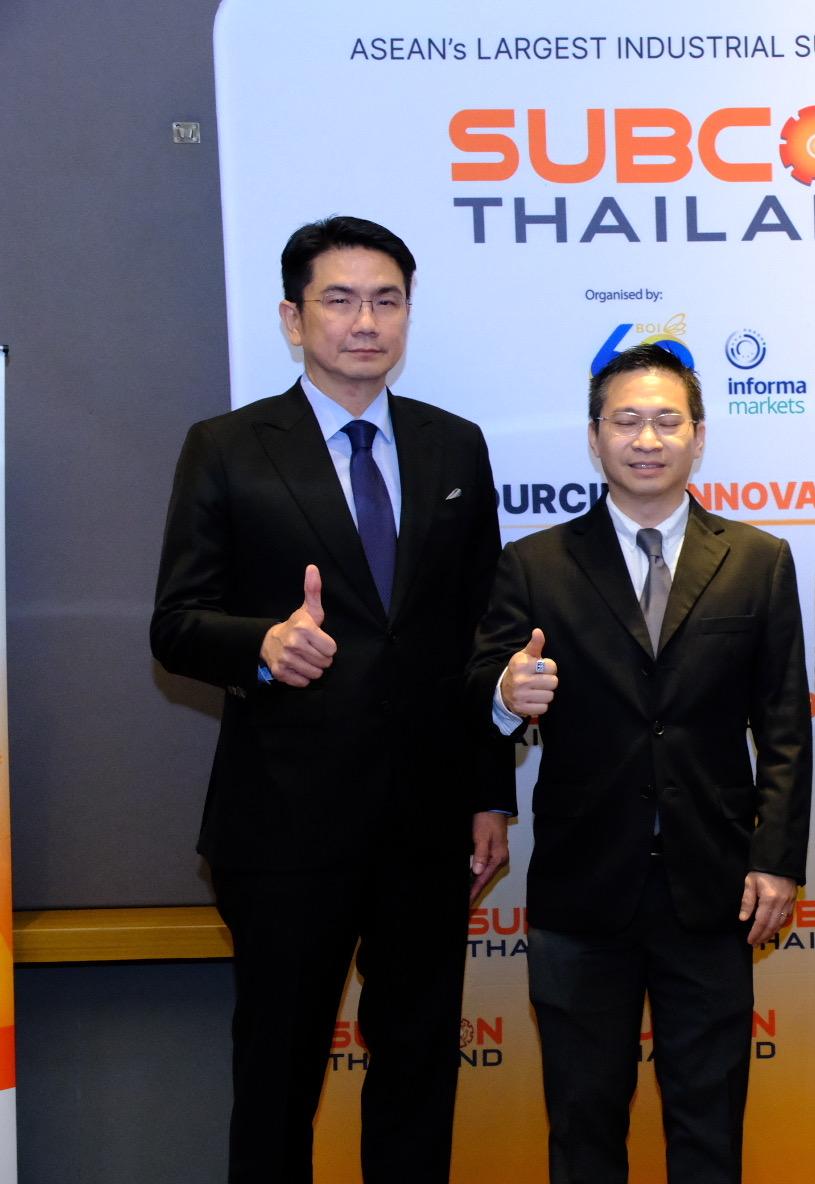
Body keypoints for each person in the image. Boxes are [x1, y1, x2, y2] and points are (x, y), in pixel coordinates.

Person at [150, 216, 508, 1182]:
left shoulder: (454, 447)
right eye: (340, 300)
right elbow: (175, 623)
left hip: (426, 826)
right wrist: (262, 646)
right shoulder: (227, 447)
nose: (365, 321)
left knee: (418, 1070)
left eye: (387, 300)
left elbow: (482, 636)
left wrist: (489, 793)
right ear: (292, 317)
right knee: (278, 1076)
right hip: (282, 826)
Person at [468, 342, 811, 1183]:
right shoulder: (535, 564)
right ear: (594, 438)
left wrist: (777, 860)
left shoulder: (758, 561)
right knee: (584, 1128)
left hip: (714, 887)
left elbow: (784, 727)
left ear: (700, 436)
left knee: (709, 1128)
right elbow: (480, 693)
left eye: (667, 420)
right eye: (626, 421)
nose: (647, 439)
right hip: (583, 890)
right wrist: (507, 694)